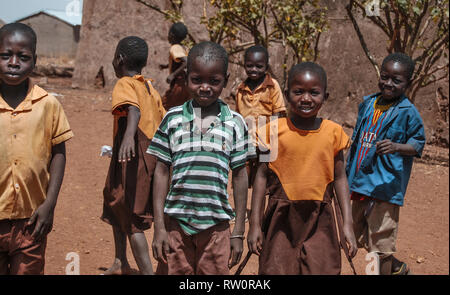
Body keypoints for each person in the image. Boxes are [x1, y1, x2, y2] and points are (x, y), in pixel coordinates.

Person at [147, 41, 254, 275]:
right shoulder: (172, 119)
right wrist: (160, 228)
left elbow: (240, 175)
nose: (205, 87)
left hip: (216, 229)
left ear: (225, 80)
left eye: (214, 81)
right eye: (197, 80)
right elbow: (161, 172)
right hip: (176, 225)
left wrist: (238, 232)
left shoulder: (235, 123)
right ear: (186, 78)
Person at [247, 62, 357, 275]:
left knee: (322, 268)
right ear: (287, 95)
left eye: (314, 93)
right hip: (280, 218)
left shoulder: (333, 133)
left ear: (325, 96)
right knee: (276, 269)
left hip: (321, 219)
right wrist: (255, 225)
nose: (306, 98)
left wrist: (347, 225)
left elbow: (340, 178)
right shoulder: (272, 131)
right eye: (299, 92)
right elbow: (260, 177)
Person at [0, 23, 74, 274]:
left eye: (23, 57)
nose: (13, 62)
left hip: (31, 220)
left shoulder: (48, 104)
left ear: (35, 60)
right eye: (5, 55)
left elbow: (59, 154)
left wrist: (49, 204)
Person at [346, 52, 425, 275]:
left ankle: (379, 271)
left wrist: (397, 147)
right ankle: (396, 269)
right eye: (385, 77)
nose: (388, 83)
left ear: (407, 83)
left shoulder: (408, 112)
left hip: (385, 187)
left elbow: (418, 143)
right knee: (358, 234)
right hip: (361, 182)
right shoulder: (368, 103)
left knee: (378, 247)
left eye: (396, 80)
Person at [101, 36, 166, 275]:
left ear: (119, 59)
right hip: (146, 156)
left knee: (131, 217)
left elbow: (133, 111)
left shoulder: (125, 84)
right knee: (114, 198)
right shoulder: (150, 88)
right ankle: (120, 261)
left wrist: (128, 137)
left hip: (134, 158)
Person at [235, 45, 286, 187]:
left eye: (259, 66)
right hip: (247, 139)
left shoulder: (272, 86)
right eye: (249, 66)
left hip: (267, 139)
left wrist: (272, 138)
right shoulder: (241, 89)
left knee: (264, 174)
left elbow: (277, 111)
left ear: (266, 66)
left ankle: (260, 207)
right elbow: (238, 115)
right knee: (243, 172)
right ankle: (242, 207)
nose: (254, 70)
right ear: (244, 65)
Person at [160, 22, 190, 111]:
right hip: (185, 84)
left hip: (179, 83)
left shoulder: (175, 47)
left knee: (164, 106)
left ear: (171, 35)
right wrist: (166, 66)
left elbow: (186, 62)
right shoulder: (184, 48)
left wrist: (173, 75)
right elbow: (180, 62)